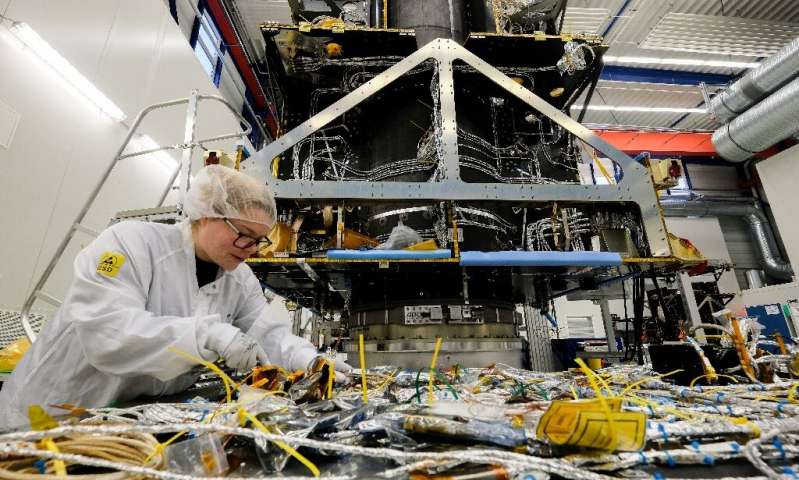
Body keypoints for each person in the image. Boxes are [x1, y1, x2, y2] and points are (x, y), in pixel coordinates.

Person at [0, 165, 351, 428]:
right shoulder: (129, 244)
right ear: (206, 214)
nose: (251, 249)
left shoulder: (239, 279)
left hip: (127, 422)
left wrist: (311, 361)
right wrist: (206, 335)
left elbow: (269, 336)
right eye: (244, 234)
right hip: (51, 411)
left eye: (260, 240)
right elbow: (108, 334)